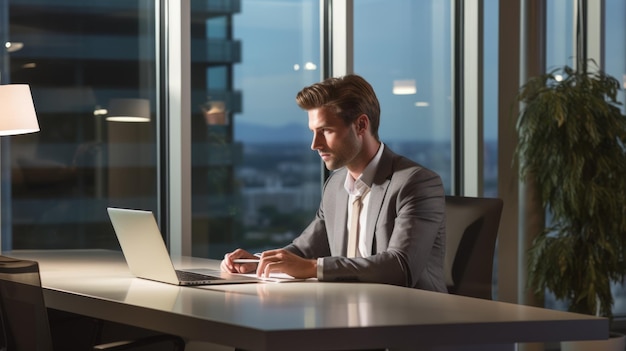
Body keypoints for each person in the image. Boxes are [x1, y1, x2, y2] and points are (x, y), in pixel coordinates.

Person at [221, 74, 447, 292]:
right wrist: (258, 261)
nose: (315, 144)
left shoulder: (415, 182)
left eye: (326, 131)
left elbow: (400, 267)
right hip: (348, 312)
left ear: (360, 125)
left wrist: (312, 268)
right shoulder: (335, 186)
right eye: (313, 132)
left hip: (413, 320)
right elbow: (302, 250)